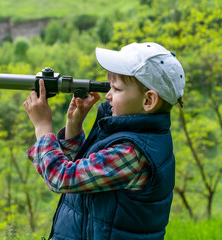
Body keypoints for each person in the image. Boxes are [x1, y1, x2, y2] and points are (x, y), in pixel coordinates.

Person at [23, 42, 185, 240]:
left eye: (116, 89)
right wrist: (73, 128)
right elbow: (85, 172)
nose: (107, 96)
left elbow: (62, 178)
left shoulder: (132, 153)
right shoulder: (129, 132)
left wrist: (42, 127)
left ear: (148, 101)